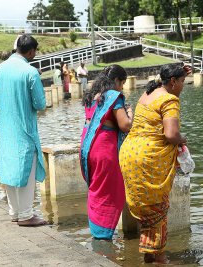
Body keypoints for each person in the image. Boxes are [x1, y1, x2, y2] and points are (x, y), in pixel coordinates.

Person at [119, 63, 191, 263]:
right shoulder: (169, 99)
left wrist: (180, 71)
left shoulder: (148, 93)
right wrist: (182, 139)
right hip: (148, 159)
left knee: (147, 207)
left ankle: (150, 254)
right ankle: (158, 256)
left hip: (129, 154)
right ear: (173, 82)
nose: (184, 86)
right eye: (183, 81)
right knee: (157, 207)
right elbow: (171, 134)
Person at [0, 34, 47, 227]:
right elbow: (40, 103)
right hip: (24, 128)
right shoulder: (30, 72)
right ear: (31, 51)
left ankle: (15, 211)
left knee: (10, 168)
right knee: (27, 169)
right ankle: (26, 214)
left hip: (6, 128)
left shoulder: (1, 68)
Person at [80, 64, 133, 240]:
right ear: (116, 80)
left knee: (96, 187)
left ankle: (96, 231)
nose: (122, 88)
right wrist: (130, 113)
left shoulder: (93, 96)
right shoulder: (113, 97)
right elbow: (125, 125)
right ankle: (103, 234)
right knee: (111, 190)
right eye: (122, 83)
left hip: (89, 147)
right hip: (105, 148)